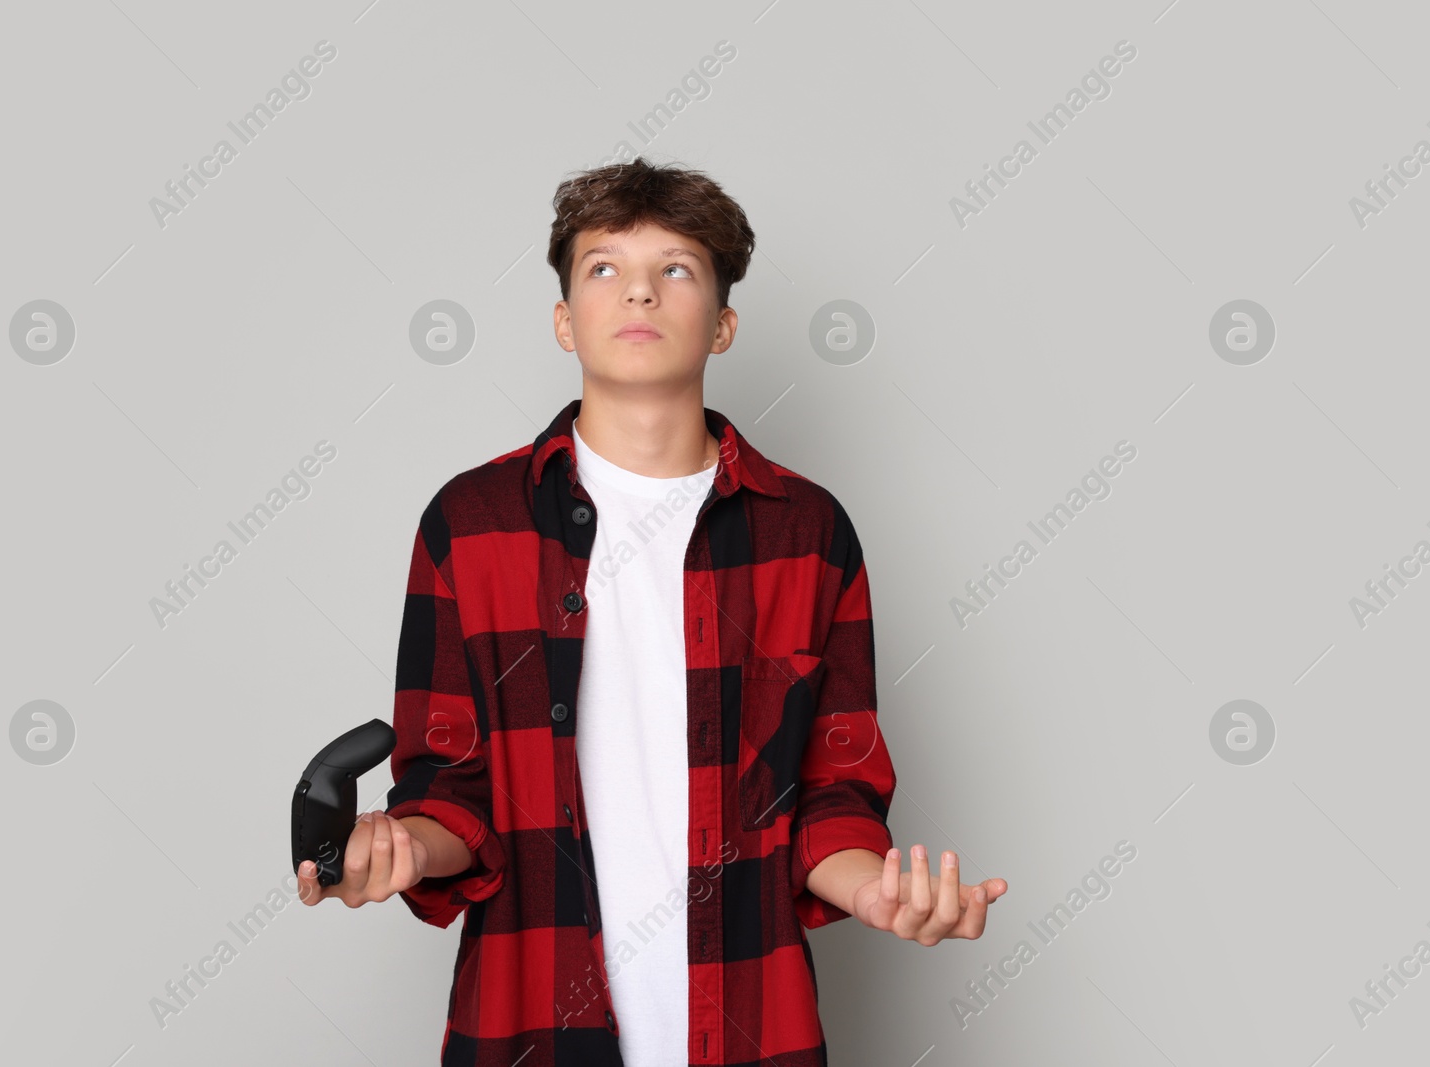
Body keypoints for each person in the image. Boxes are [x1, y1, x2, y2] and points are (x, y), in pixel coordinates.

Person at [297, 157, 1008, 1066]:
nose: (638, 290)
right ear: (564, 320)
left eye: (675, 267)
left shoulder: (809, 531)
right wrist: (394, 846)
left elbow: (834, 785)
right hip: (531, 1030)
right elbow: (452, 792)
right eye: (604, 268)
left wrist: (877, 891)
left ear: (723, 323)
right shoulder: (469, 526)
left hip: (756, 1030)